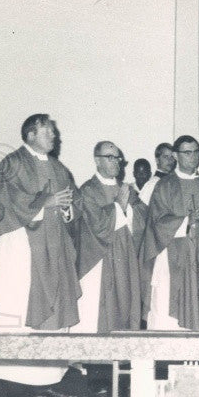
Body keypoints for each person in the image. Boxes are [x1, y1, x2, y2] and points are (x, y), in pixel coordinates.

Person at [0, 114, 81, 397]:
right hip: (21, 246)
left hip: (54, 247)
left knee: (54, 307)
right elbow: (3, 202)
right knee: (16, 304)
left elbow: (73, 204)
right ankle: (10, 384)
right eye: (48, 132)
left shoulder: (59, 168)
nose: (55, 136)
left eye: (53, 131)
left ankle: (49, 380)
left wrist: (66, 210)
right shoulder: (11, 165)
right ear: (30, 135)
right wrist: (45, 203)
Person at [140, 136, 199, 330]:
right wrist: (186, 221)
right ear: (176, 155)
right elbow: (156, 221)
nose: (193, 157)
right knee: (167, 304)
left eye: (196, 152)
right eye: (187, 153)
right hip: (171, 256)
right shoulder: (164, 186)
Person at [74, 142, 147, 332]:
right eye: (110, 157)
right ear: (97, 160)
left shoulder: (127, 190)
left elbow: (142, 219)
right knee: (95, 309)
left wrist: (128, 208)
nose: (116, 162)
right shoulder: (88, 190)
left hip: (125, 258)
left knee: (124, 303)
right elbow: (95, 225)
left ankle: (119, 357)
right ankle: (93, 359)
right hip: (97, 260)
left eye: (118, 158)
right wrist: (119, 206)